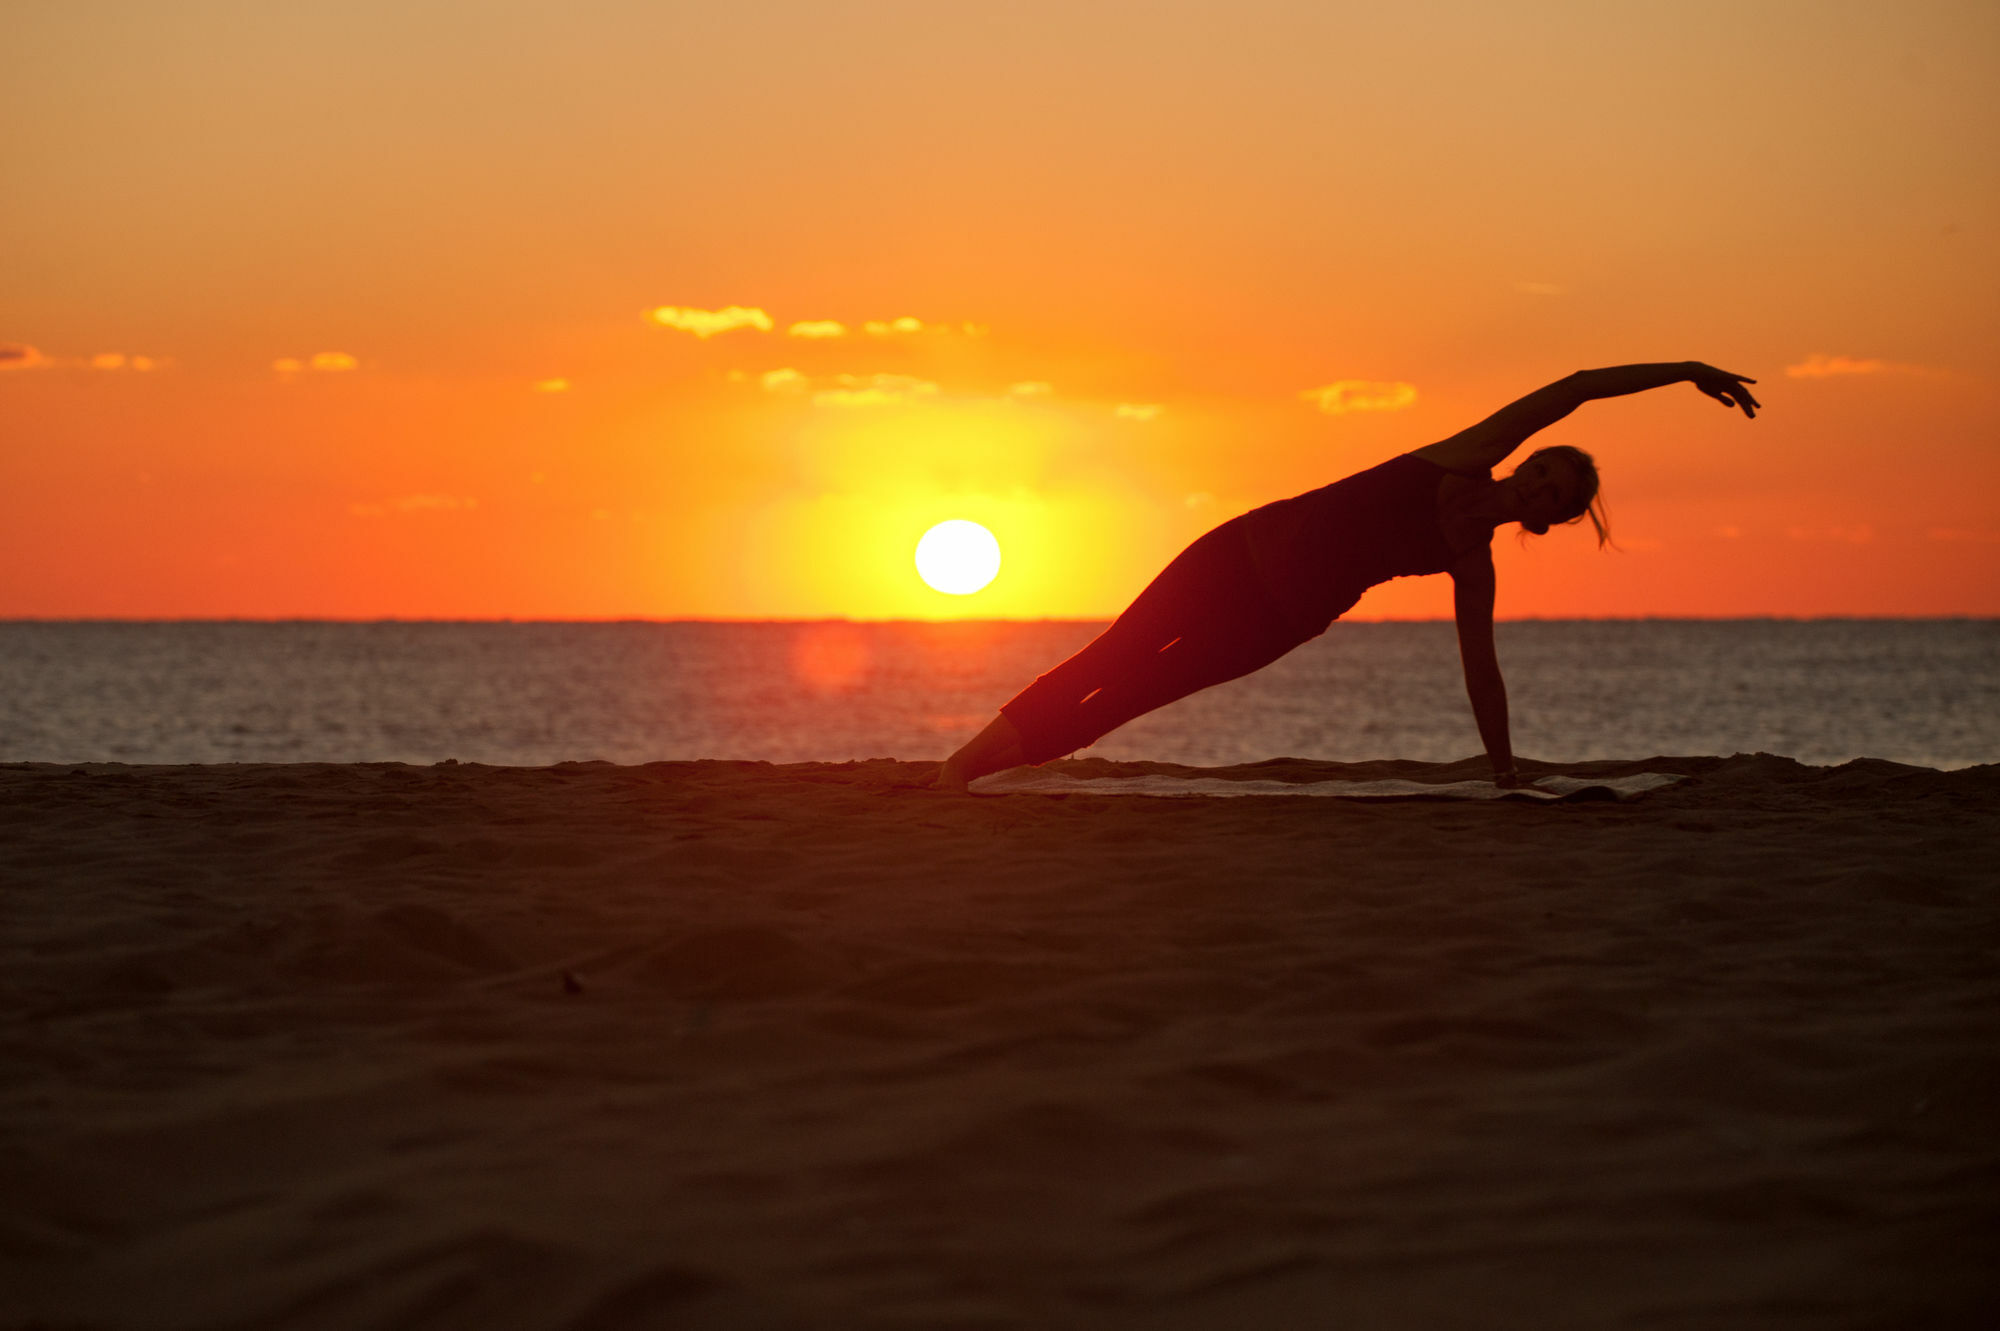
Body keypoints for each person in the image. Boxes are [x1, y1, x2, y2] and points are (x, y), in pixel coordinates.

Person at [934, 361, 1760, 791]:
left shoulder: (1472, 564)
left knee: (1134, 697)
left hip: (1278, 621)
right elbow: (1576, 390)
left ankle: (977, 776)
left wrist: (1504, 774)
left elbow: (1482, 670)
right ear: (1528, 458)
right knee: (1113, 656)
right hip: (1240, 552)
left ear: (1552, 516)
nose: (1539, 483)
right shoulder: (1469, 456)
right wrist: (1687, 369)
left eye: (1555, 493)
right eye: (1544, 466)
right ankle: (958, 766)